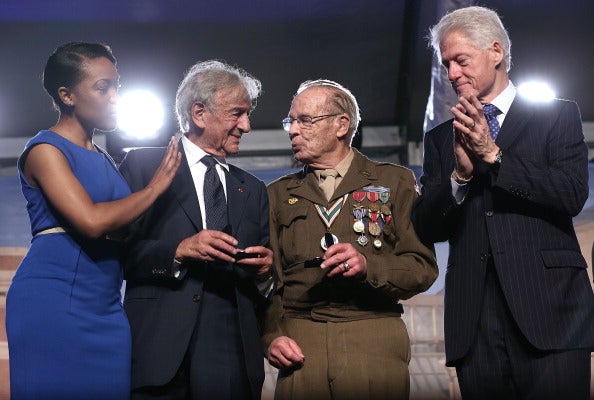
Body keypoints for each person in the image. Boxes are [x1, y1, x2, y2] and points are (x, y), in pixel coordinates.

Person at [412, 6, 594, 400]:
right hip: (475, 323)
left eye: (461, 60)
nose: (453, 73)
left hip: (552, 314)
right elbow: (427, 227)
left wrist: (494, 156)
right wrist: (459, 178)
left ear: (495, 51)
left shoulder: (558, 116)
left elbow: (571, 194)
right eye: (446, 65)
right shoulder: (441, 139)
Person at [5, 42, 181, 400]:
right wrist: (155, 187)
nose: (116, 96)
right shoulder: (45, 151)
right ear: (67, 95)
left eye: (118, 86)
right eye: (103, 87)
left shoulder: (104, 158)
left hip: (105, 308)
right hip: (53, 301)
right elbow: (90, 221)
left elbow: (126, 229)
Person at [262, 79, 438, 400]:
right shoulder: (275, 195)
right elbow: (266, 280)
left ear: (341, 125)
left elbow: (421, 267)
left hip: (372, 337)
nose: (292, 130)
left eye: (305, 120)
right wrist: (271, 336)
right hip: (302, 342)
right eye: (291, 121)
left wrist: (368, 265)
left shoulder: (394, 182)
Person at [119, 60, 273, 399]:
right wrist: (178, 251)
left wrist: (265, 272)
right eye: (237, 113)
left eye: (247, 114)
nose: (246, 125)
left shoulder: (255, 189)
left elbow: (265, 281)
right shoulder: (143, 166)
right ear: (199, 112)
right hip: (157, 354)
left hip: (231, 359)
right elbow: (118, 254)